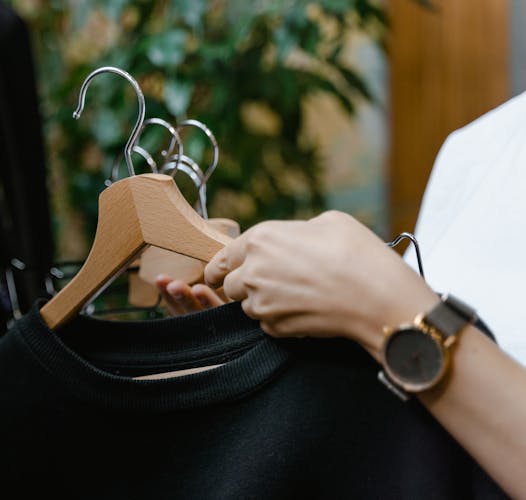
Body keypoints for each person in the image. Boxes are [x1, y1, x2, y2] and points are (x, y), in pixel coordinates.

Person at [154, 91, 526, 498]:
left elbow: (400, 327)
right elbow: (403, 405)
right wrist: (289, 346)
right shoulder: (476, 150)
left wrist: (372, 298)